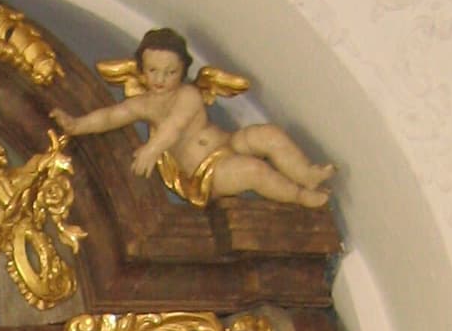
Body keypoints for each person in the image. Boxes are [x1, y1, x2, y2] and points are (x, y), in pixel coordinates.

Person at [60, 27, 333, 207]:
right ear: (142, 71)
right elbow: (111, 116)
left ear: (183, 73)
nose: (161, 79)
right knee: (254, 171)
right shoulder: (144, 105)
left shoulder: (188, 95)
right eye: (154, 71)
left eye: (170, 72)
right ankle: (299, 196)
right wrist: (77, 125)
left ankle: (306, 174)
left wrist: (152, 149)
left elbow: (175, 126)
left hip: (228, 143)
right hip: (207, 172)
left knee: (268, 134)